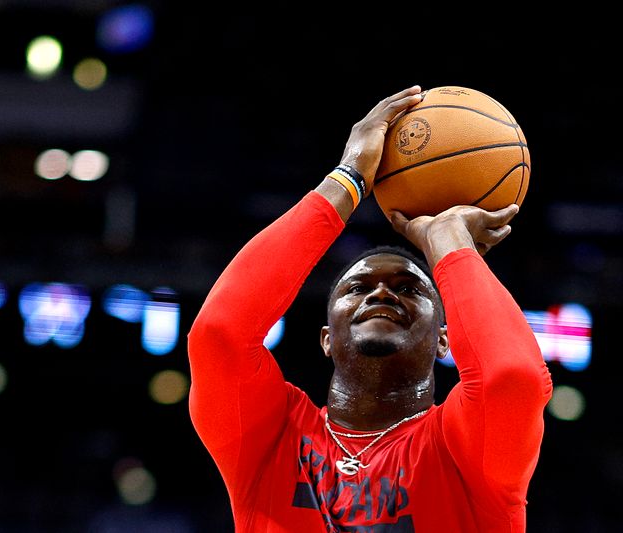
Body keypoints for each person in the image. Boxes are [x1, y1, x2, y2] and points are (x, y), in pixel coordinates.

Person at [187, 85, 553, 532]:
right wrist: (347, 179)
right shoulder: (271, 439)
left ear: (445, 338)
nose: (381, 294)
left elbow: (511, 378)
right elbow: (220, 334)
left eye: (409, 289)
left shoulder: (463, 449)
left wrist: (449, 244)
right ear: (326, 337)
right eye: (357, 287)